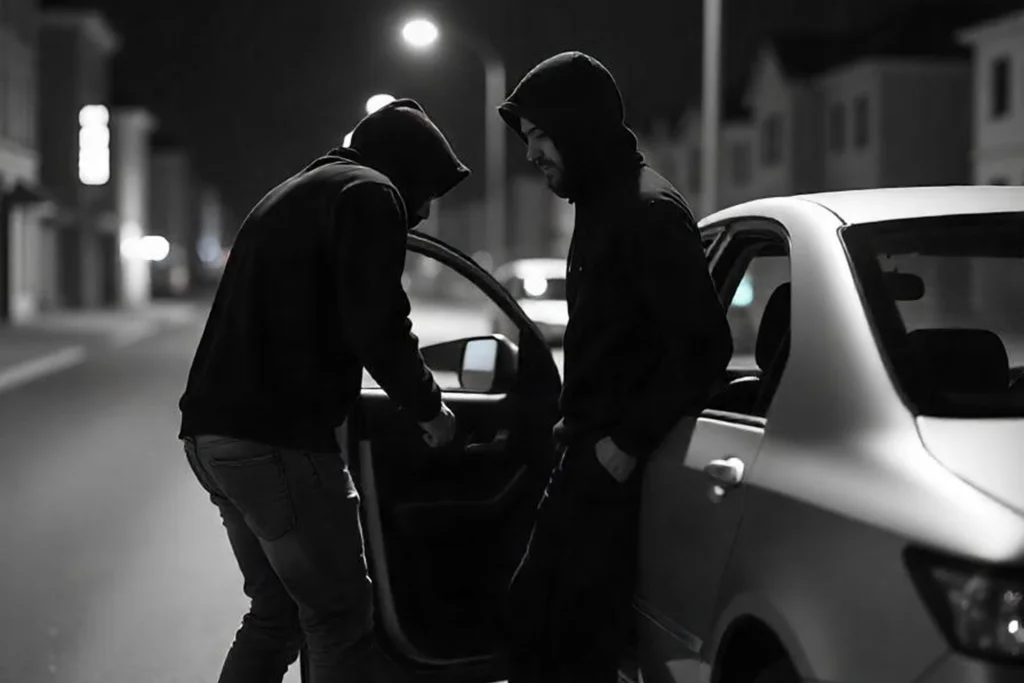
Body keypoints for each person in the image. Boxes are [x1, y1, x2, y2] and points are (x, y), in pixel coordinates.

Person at [178, 98, 469, 682]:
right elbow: (379, 323)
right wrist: (430, 410)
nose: (428, 212)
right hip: (277, 441)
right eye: (430, 190)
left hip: (213, 436)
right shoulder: (370, 194)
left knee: (276, 614)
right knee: (338, 618)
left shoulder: (299, 191)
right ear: (406, 167)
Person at [497, 52, 733, 681]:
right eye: (528, 140)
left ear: (578, 127)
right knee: (532, 626)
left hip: (613, 473)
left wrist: (625, 442)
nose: (532, 155)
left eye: (540, 136)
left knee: (575, 646)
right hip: (583, 457)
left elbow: (702, 346)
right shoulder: (600, 203)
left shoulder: (648, 211)